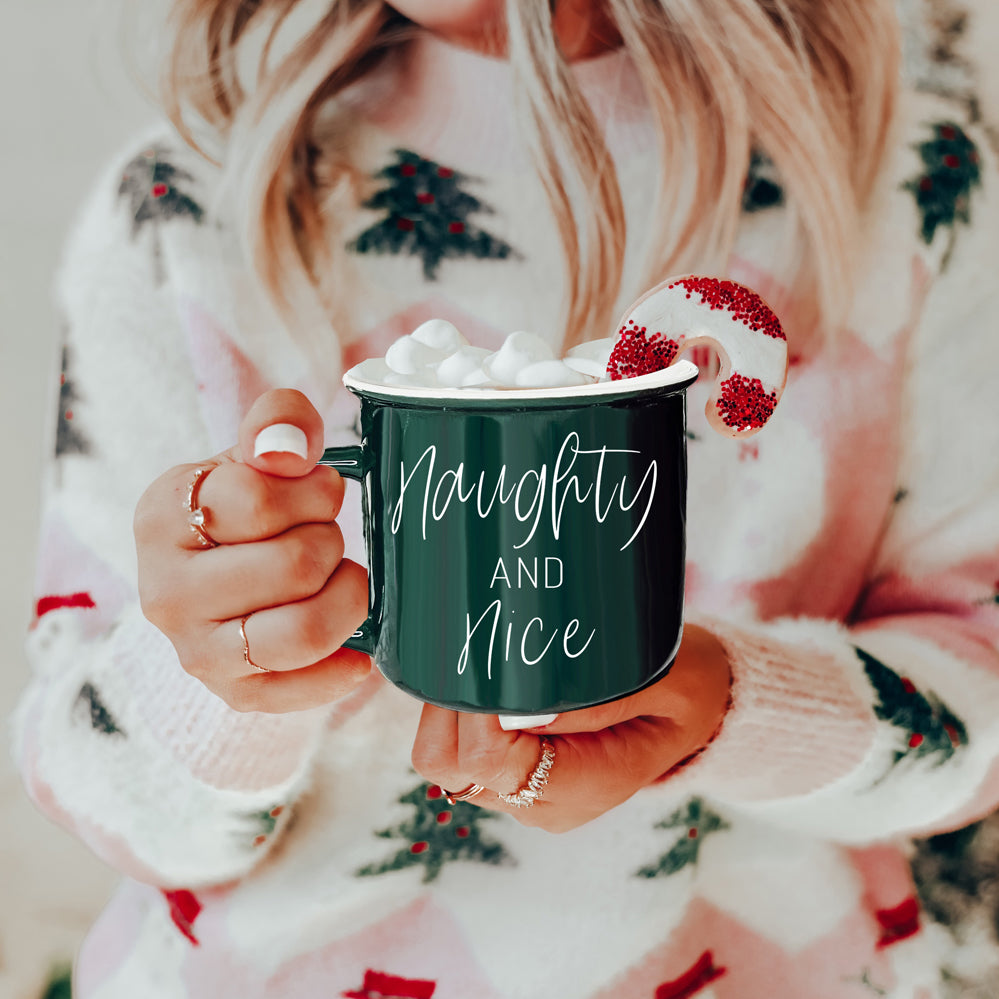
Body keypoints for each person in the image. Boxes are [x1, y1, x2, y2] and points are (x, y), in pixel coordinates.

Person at [13, 0, 999, 995]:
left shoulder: (914, 184)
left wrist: (731, 710)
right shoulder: (185, 208)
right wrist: (216, 682)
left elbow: (983, 701)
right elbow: (95, 789)